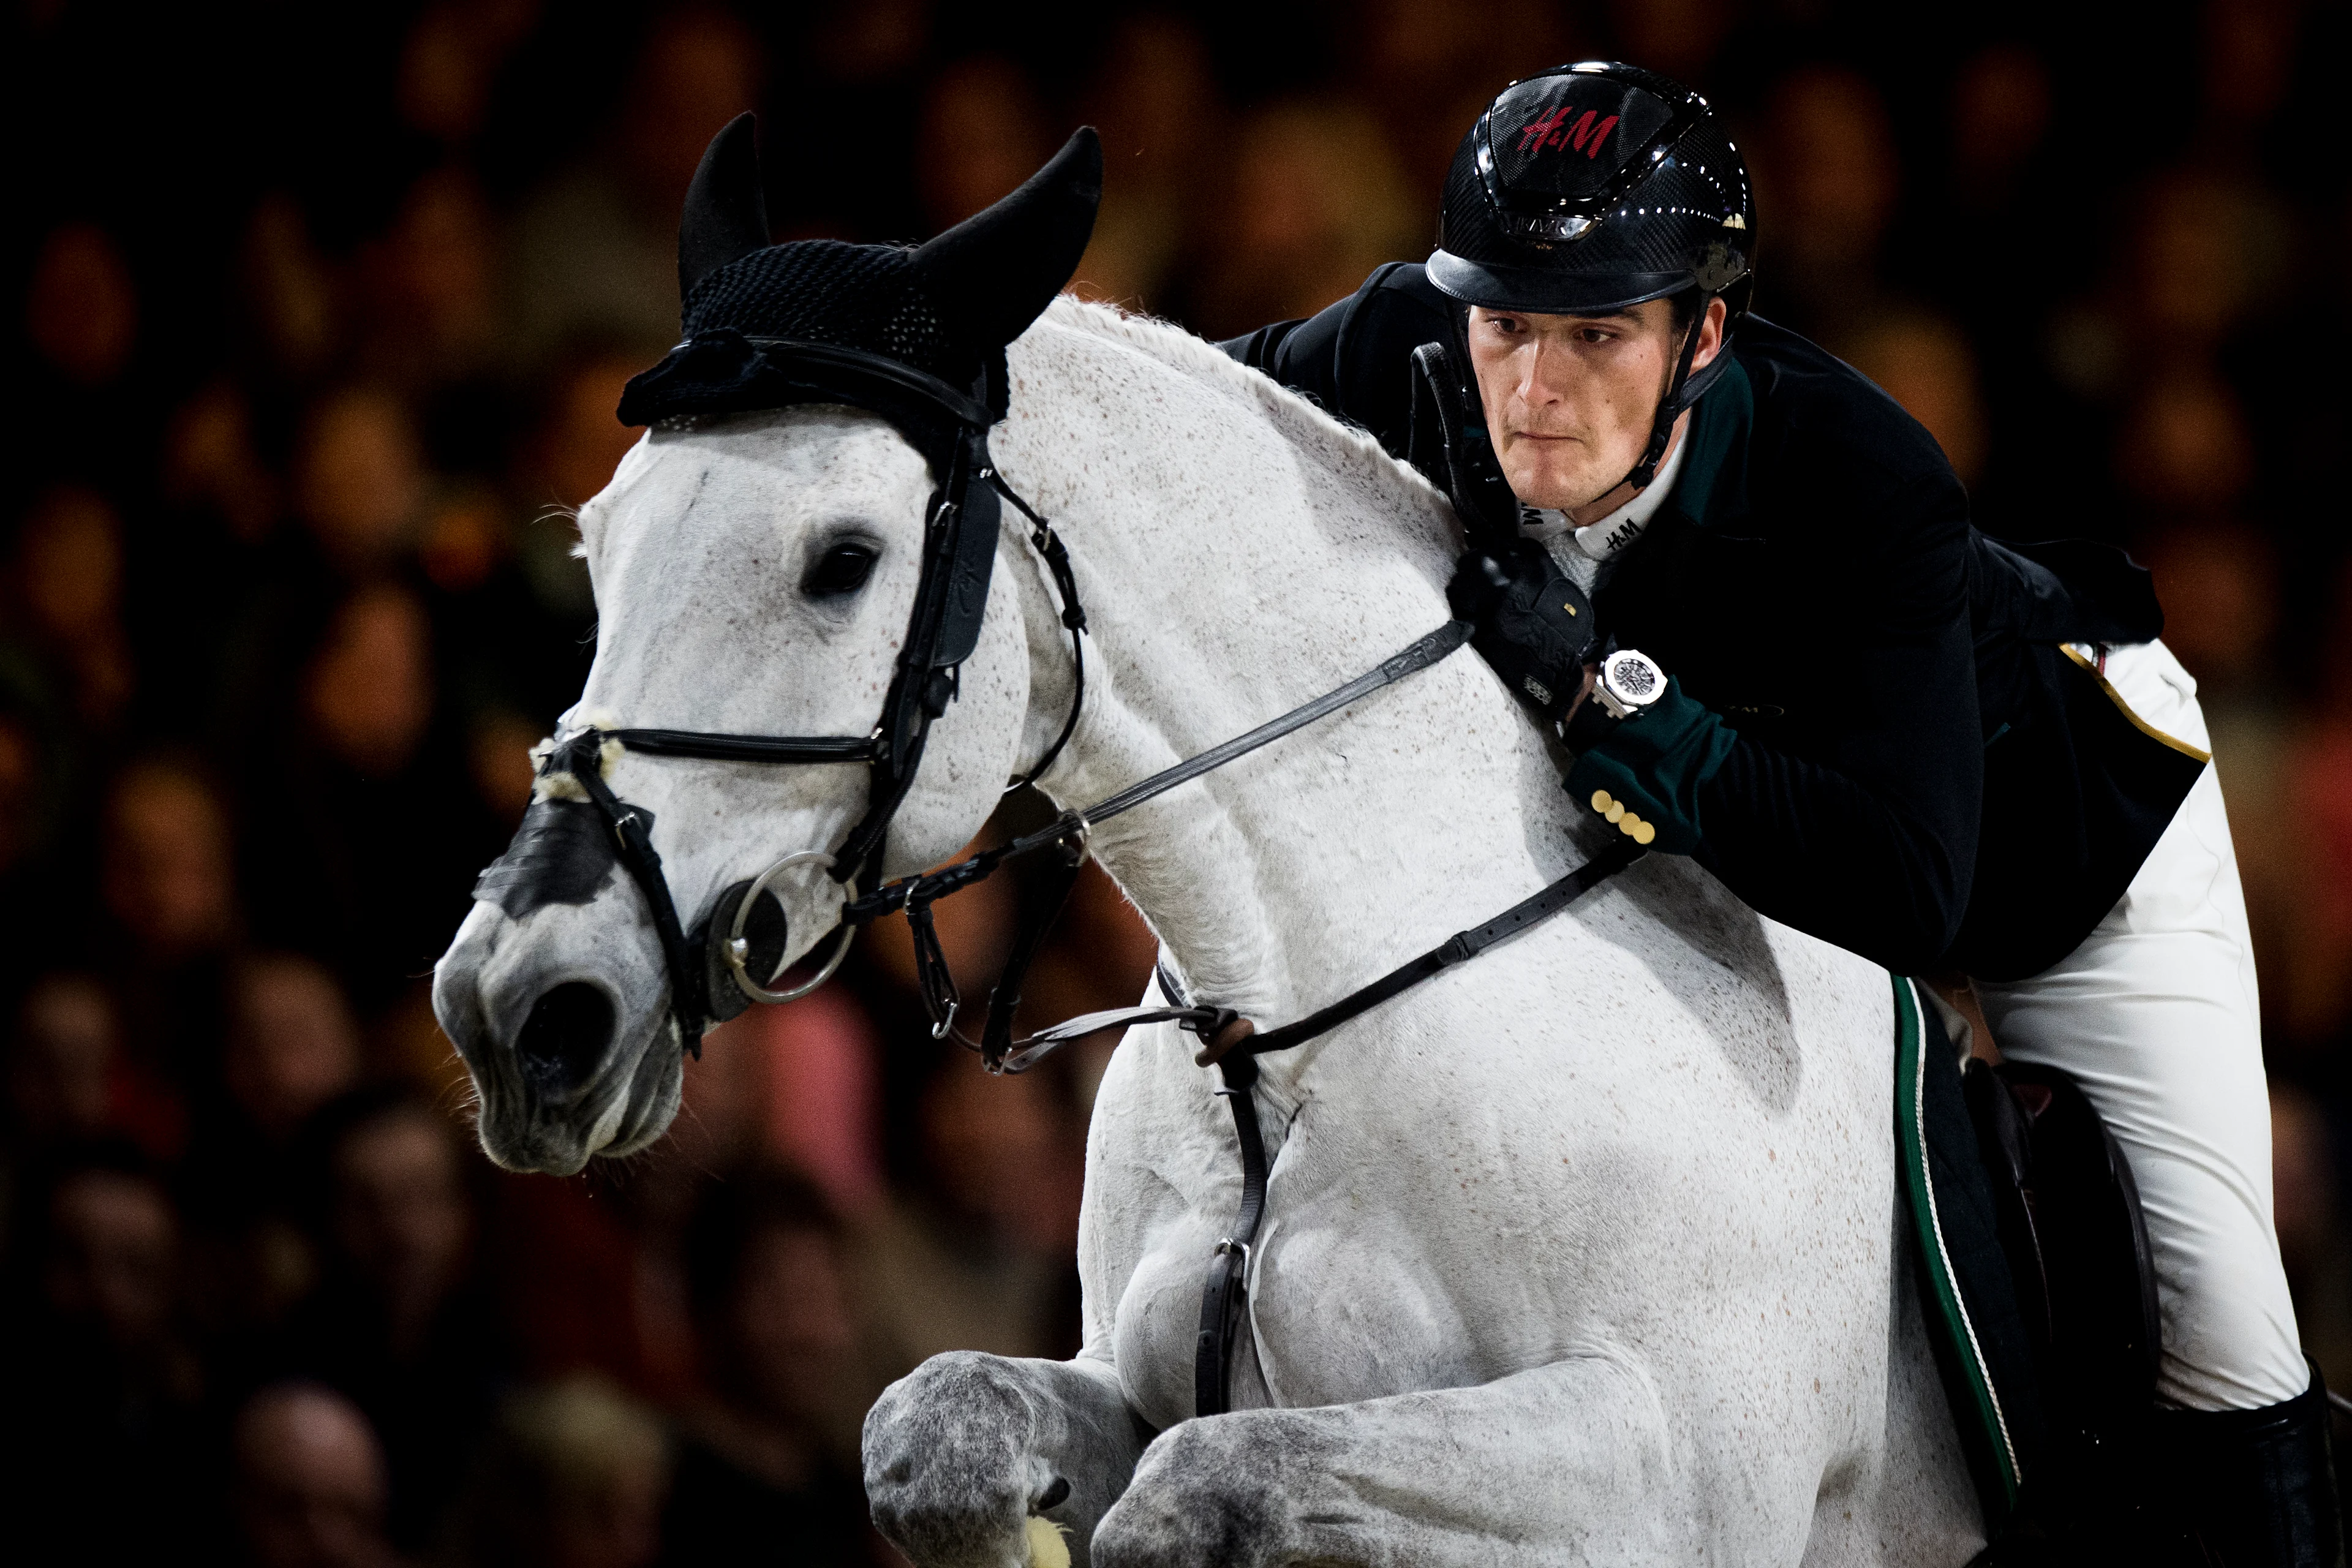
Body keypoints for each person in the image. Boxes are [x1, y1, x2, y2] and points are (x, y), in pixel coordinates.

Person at [1223, 60, 2334, 1562]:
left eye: (1599, 332)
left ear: (1702, 334)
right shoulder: (1405, 347)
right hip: (1737, 869)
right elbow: (1151, 416)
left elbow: (1908, 888)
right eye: (1504, 325)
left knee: (2216, 1334)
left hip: (2052, 850)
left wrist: (1615, 701)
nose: (1534, 389)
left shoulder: (1862, 472)